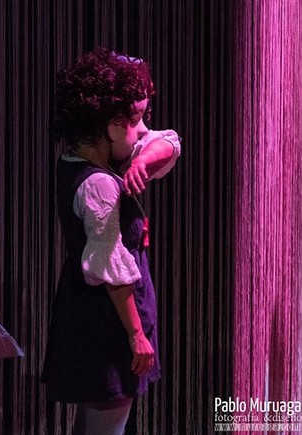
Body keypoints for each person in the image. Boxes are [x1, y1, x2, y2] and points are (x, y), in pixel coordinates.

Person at [42, 48, 181, 435]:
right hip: (108, 319)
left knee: (92, 424)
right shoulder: (101, 184)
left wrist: (140, 161)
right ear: (114, 125)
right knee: (108, 425)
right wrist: (136, 335)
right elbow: (111, 267)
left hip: (89, 311)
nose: (144, 131)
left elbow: (169, 142)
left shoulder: (79, 161)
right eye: (137, 120)